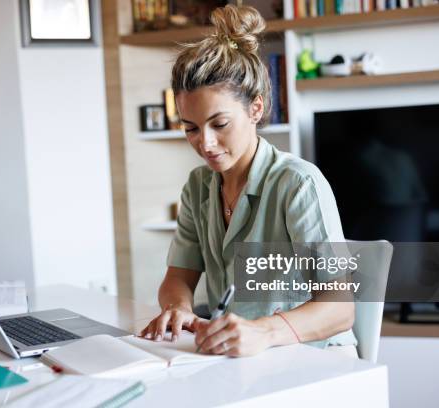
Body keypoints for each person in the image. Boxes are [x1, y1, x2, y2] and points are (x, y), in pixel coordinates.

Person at [139, 4, 358, 358]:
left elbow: (341, 309)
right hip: (242, 358)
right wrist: (178, 307)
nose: (205, 143)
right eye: (191, 128)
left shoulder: (299, 184)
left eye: (219, 124)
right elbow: (178, 276)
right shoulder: (198, 187)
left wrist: (264, 332)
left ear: (255, 109)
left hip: (314, 357)